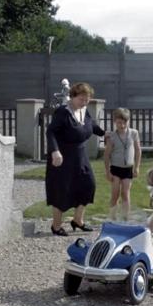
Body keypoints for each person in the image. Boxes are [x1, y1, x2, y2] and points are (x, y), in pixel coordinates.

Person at [45, 82, 106, 236]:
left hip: (80, 156)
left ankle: (78, 220)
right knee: (62, 191)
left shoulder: (84, 111)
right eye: (81, 99)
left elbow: (91, 125)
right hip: (62, 158)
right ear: (72, 97)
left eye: (87, 100)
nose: (84, 102)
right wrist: (55, 152)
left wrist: (105, 133)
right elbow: (51, 132)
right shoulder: (63, 112)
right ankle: (56, 225)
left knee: (88, 185)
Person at [103, 107, 142, 222]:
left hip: (128, 168)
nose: (122, 125)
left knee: (125, 193)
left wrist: (137, 167)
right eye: (119, 122)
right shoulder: (112, 136)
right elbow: (106, 155)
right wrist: (107, 171)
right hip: (115, 169)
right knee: (115, 194)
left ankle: (126, 217)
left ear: (128, 121)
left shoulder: (134, 133)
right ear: (115, 122)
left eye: (125, 122)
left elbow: (138, 150)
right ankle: (112, 217)